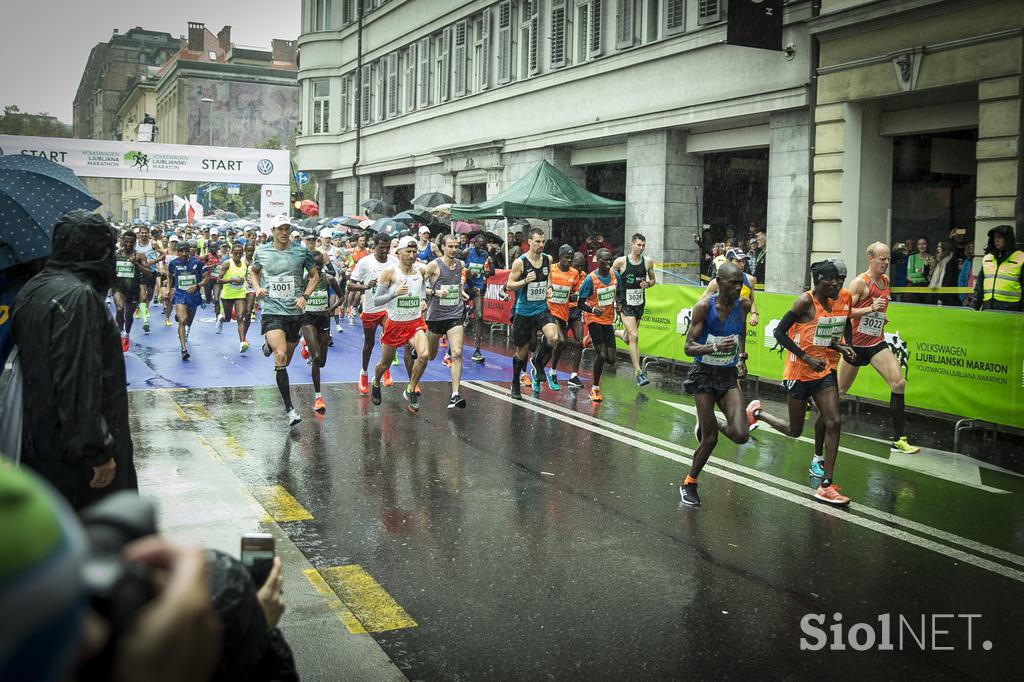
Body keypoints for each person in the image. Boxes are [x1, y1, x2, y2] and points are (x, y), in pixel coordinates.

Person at [11, 210, 137, 510]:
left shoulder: (34, 287)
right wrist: (97, 450)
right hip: (78, 456)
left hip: (40, 439)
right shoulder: (78, 297)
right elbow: (79, 378)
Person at [746, 261, 856, 506]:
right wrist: (805, 356)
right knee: (794, 431)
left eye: (839, 280)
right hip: (798, 372)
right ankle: (758, 413)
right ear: (819, 280)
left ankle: (827, 484)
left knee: (834, 421)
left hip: (823, 372)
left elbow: (821, 336)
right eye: (832, 280)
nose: (837, 283)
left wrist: (840, 347)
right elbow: (779, 333)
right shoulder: (804, 301)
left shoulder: (833, 302)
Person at [679, 263, 751, 506]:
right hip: (704, 375)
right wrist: (714, 347)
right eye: (733, 283)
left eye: (740, 283)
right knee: (709, 440)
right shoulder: (703, 307)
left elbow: (741, 332)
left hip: (727, 374)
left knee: (741, 435)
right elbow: (688, 348)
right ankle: (690, 481)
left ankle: (711, 420)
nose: (738, 287)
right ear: (719, 282)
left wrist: (741, 356)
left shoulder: (743, 305)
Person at [836, 244, 919, 455]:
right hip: (854, 345)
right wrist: (870, 309)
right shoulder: (859, 283)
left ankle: (899, 439)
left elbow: (879, 309)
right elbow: (844, 312)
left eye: (888, 259)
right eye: (882, 259)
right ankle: (813, 404)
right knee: (839, 391)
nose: (886, 263)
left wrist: (880, 318)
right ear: (870, 258)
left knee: (898, 382)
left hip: (875, 343)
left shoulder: (886, 281)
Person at [250, 215, 319, 426]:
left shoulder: (301, 251)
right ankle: (290, 409)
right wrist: (257, 287)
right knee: (280, 356)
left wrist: (305, 296)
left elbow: (314, 275)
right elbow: (253, 271)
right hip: (271, 310)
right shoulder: (261, 251)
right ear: (272, 230)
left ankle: (269, 344)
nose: (284, 232)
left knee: (286, 360)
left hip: (294, 313)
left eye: (287, 229)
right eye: (280, 229)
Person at [370, 236, 429, 411]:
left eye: (414, 251)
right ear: (399, 252)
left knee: (424, 355)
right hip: (395, 324)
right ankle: (375, 381)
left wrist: (424, 299)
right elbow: (376, 301)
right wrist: (394, 293)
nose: (412, 255)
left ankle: (410, 389)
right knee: (384, 364)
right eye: (408, 251)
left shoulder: (421, 270)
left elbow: (422, 287)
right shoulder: (390, 272)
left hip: (415, 323)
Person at [506, 227, 562, 399]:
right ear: (529, 242)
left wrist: (550, 287)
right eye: (537, 241)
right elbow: (509, 285)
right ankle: (515, 382)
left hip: (540, 309)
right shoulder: (520, 262)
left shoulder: (548, 259)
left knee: (554, 337)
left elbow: (549, 278)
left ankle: (537, 361)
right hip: (523, 312)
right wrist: (524, 281)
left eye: (543, 241)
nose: (541, 245)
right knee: (522, 351)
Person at [423, 234, 471, 409]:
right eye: (450, 246)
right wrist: (434, 293)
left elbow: (457, 283)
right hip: (436, 316)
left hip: (455, 314)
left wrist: (461, 292)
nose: (453, 250)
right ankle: (415, 347)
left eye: (456, 246)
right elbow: (420, 285)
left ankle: (455, 394)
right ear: (442, 247)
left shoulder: (461, 264)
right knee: (430, 355)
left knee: (457, 352)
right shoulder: (434, 265)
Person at [350, 236, 398, 395]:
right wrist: (365, 285)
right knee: (369, 345)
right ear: (374, 246)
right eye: (381, 248)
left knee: (389, 339)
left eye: (387, 247)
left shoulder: (394, 261)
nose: (385, 251)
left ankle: (385, 370)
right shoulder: (365, 262)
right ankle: (363, 373)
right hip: (371, 309)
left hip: (388, 308)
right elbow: (350, 285)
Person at [299, 251, 344, 413]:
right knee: (316, 357)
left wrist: (332, 309)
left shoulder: (329, 279)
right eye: (314, 266)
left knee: (322, 362)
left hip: (323, 320)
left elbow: (341, 296)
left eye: (320, 266)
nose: (317, 269)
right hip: (308, 319)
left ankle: (306, 346)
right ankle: (318, 397)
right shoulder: (304, 279)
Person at [613, 233, 657, 386]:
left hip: (639, 304)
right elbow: (612, 280)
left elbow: (653, 280)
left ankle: (614, 332)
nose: (641, 248)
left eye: (643, 245)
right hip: (625, 304)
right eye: (638, 245)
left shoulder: (648, 262)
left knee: (627, 338)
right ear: (631, 244)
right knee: (634, 335)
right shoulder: (620, 262)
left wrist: (648, 284)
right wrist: (616, 299)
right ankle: (638, 372)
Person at [576, 248, 619, 402]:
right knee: (601, 355)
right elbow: (580, 303)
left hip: (608, 320)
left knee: (611, 359)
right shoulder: (590, 279)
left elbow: (618, 293)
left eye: (610, 260)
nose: (608, 263)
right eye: (605, 260)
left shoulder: (615, 275)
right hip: (593, 319)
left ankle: (588, 340)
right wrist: (593, 309)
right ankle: (595, 389)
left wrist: (619, 303)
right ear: (597, 260)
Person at [543, 244, 583, 390]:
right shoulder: (551, 270)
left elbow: (575, 292)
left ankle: (572, 375)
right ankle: (549, 370)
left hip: (569, 312)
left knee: (577, 343)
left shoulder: (575, 274)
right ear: (560, 257)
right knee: (560, 341)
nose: (569, 261)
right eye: (567, 258)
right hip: (551, 311)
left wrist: (574, 296)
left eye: (571, 259)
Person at [168, 241, 210, 361]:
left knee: (188, 321)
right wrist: (168, 289)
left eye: (186, 251)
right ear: (178, 252)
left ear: (190, 251)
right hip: (180, 294)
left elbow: (206, 279)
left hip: (194, 295)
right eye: (181, 251)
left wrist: (197, 286)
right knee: (182, 320)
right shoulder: (173, 263)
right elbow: (169, 275)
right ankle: (184, 350)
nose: (184, 253)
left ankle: (187, 330)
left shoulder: (197, 263)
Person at [111, 230, 149, 352]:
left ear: (135, 242)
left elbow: (148, 272)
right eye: (126, 241)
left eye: (131, 242)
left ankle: (126, 333)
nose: (128, 244)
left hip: (133, 289)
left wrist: (136, 265)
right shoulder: (115, 254)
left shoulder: (140, 255)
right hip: (118, 287)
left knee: (128, 315)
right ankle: (120, 332)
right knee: (119, 309)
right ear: (122, 240)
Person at [972, 224, 1024, 312]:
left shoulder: (1020, 258)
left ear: (1008, 239)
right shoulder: (988, 258)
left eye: (1000, 237)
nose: (996, 240)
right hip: (988, 308)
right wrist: (973, 309)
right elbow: (979, 288)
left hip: (1011, 310)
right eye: (995, 237)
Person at [462, 234, 495, 363]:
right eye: (479, 245)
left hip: (478, 288)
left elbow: (492, 272)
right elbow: (458, 265)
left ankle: (477, 349)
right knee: (459, 316)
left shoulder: (486, 256)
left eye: (483, 246)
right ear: (474, 243)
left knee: (480, 316)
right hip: (465, 288)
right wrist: (466, 272)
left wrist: (486, 272)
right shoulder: (466, 253)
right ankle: (451, 345)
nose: (481, 248)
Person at [217, 243, 251, 353]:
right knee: (227, 318)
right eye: (235, 253)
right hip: (227, 295)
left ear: (242, 253)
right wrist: (232, 280)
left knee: (240, 317)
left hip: (240, 294)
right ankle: (221, 319)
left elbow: (244, 278)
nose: (238, 255)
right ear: (231, 253)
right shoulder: (227, 264)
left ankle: (242, 343)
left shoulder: (244, 264)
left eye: (240, 253)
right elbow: (218, 280)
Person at [134, 225, 163, 333]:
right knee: (142, 296)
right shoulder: (135, 244)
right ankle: (145, 321)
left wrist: (154, 261)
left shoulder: (153, 243)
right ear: (139, 233)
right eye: (142, 233)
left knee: (149, 295)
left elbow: (163, 254)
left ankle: (144, 307)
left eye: (146, 233)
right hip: (140, 272)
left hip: (151, 272)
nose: (144, 234)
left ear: (148, 234)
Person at [927, 239, 960, 306]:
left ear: (946, 248)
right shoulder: (939, 262)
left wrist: (941, 298)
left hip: (946, 298)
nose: (937, 249)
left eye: (940, 247)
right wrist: (926, 267)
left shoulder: (950, 262)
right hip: (936, 295)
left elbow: (948, 282)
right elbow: (928, 278)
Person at [905, 236, 932, 301]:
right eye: (919, 244)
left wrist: (915, 277)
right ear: (917, 246)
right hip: (914, 290)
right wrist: (922, 273)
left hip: (927, 290)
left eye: (924, 244)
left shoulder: (932, 258)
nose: (921, 246)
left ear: (927, 245)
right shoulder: (912, 257)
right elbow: (909, 275)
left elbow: (929, 278)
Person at [958, 240, 976, 307]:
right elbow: (961, 280)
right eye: (969, 247)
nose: (971, 249)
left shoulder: (983, 261)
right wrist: (963, 298)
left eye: (973, 247)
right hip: (968, 297)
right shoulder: (967, 261)